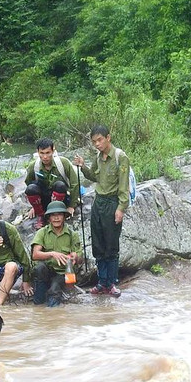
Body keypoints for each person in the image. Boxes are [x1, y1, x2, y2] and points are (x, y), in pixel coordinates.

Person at [73, 125, 130, 297]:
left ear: (108, 138)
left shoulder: (121, 157)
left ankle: (111, 283)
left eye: (99, 140)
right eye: (94, 142)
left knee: (111, 245)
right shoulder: (98, 156)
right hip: (99, 202)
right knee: (98, 244)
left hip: (113, 203)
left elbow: (124, 186)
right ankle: (101, 282)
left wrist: (121, 208)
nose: (97, 144)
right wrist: (83, 166)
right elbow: (94, 176)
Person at [30, 201, 82, 307]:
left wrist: (75, 257)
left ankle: (52, 313)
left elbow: (80, 259)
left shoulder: (72, 235)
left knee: (55, 289)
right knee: (39, 269)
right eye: (53, 215)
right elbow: (35, 255)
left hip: (63, 273)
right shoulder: (42, 232)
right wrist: (52, 254)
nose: (56, 218)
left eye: (59, 215)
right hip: (46, 271)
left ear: (64, 216)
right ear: (49, 218)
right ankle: (38, 308)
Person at [24, 139, 80, 228]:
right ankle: (40, 215)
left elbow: (75, 183)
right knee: (31, 189)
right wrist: (34, 206)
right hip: (44, 198)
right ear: (37, 152)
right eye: (42, 153)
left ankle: (55, 214)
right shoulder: (34, 166)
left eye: (48, 153)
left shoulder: (63, 163)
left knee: (60, 185)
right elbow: (28, 183)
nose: (45, 157)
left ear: (53, 151)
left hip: (60, 198)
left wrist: (72, 206)